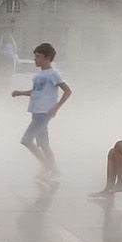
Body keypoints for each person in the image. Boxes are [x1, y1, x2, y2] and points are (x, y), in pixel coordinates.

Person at [12, 42, 71, 178]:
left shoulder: (53, 74)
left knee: (26, 140)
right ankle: (54, 170)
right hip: (36, 111)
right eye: (35, 56)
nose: (35, 59)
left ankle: (46, 165)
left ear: (48, 57)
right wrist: (20, 93)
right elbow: (36, 92)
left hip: (44, 112)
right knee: (43, 143)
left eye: (38, 57)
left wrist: (56, 106)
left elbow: (67, 91)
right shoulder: (39, 75)